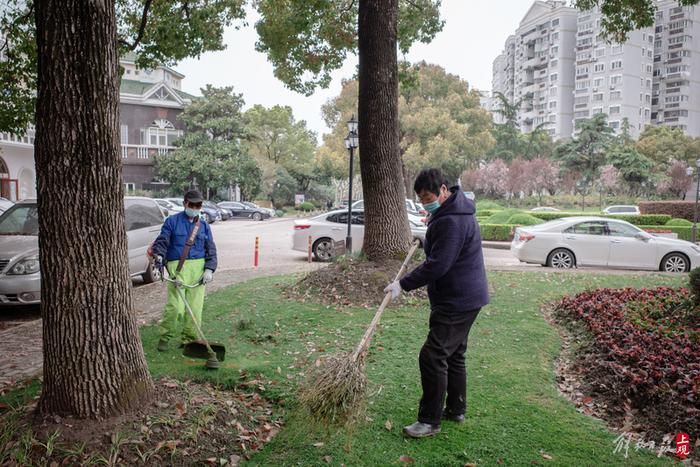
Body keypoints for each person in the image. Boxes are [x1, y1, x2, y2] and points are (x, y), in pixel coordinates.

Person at [384, 168, 489, 438]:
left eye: (428, 196)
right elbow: (445, 249)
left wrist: (402, 285)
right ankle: (455, 410)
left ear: (444, 190)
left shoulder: (451, 220)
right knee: (454, 355)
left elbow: (439, 265)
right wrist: (427, 239)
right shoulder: (454, 211)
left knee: (432, 356)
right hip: (467, 297)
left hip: (457, 300)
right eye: (420, 198)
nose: (424, 202)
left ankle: (429, 421)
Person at [151, 189, 218, 351]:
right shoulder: (171, 222)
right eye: (192, 204)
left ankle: (189, 339)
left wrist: (209, 269)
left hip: (199, 270)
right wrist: (159, 255)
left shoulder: (203, 226)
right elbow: (162, 240)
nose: (195, 207)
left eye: (198, 205)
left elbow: (211, 249)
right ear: (184, 204)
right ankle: (165, 336)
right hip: (178, 270)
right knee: (176, 307)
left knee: (195, 308)